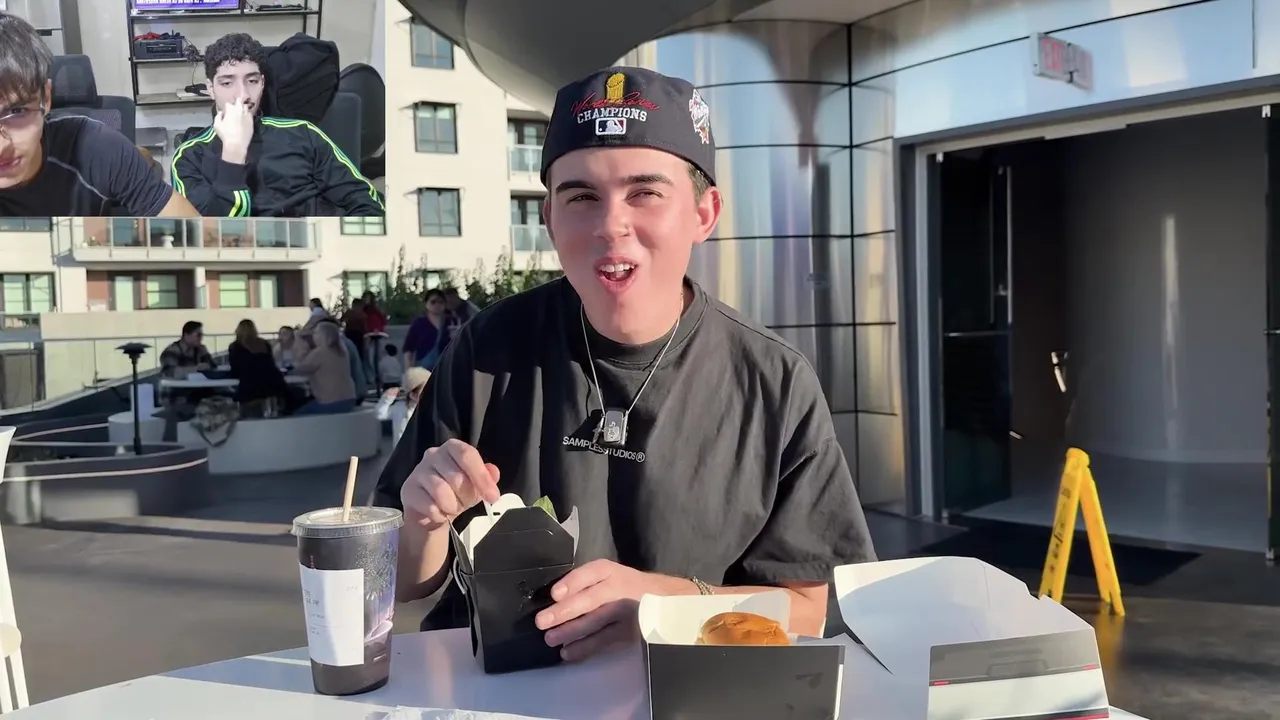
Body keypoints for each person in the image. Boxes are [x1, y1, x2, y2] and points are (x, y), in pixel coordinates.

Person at [373, 67, 875, 661]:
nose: (611, 225)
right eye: (581, 197)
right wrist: (425, 523)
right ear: (549, 219)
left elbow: (812, 607)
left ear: (704, 213)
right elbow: (402, 584)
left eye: (646, 193)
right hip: (496, 687)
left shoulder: (772, 381)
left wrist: (662, 604)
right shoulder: (488, 350)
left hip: (681, 690)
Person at [0, 13, 200, 217]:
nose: (1, 146)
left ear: (46, 97)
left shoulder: (96, 147)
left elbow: (193, 230)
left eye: (17, 111)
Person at [170, 33, 384, 218]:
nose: (243, 95)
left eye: (252, 81)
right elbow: (213, 234)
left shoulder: (303, 133)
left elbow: (367, 203)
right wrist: (234, 153)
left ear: (263, 83)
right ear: (210, 89)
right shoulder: (189, 157)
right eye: (227, 83)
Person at [292, 321, 356, 415]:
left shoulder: (320, 352)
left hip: (330, 402)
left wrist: (300, 343)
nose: (313, 335)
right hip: (349, 398)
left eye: (316, 332)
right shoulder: (342, 350)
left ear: (324, 335)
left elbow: (300, 369)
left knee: (297, 416)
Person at [227, 319, 288, 416]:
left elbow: (235, 369)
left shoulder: (235, 346)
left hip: (249, 389)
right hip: (273, 386)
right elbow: (271, 363)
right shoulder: (264, 344)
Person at [376, 366, 431, 447]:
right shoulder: (400, 407)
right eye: (423, 390)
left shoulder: (431, 408)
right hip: (402, 450)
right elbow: (380, 415)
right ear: (412, 394)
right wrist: (387, 398)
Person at [401, 289, 450, 370]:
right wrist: (408, 368)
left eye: (440, 302)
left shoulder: (451, 322)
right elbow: (408, 347)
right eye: (433, 302)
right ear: (426, 304)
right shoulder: (419, 323)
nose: (437, 305)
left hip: (446, 368)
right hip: (423, 369)